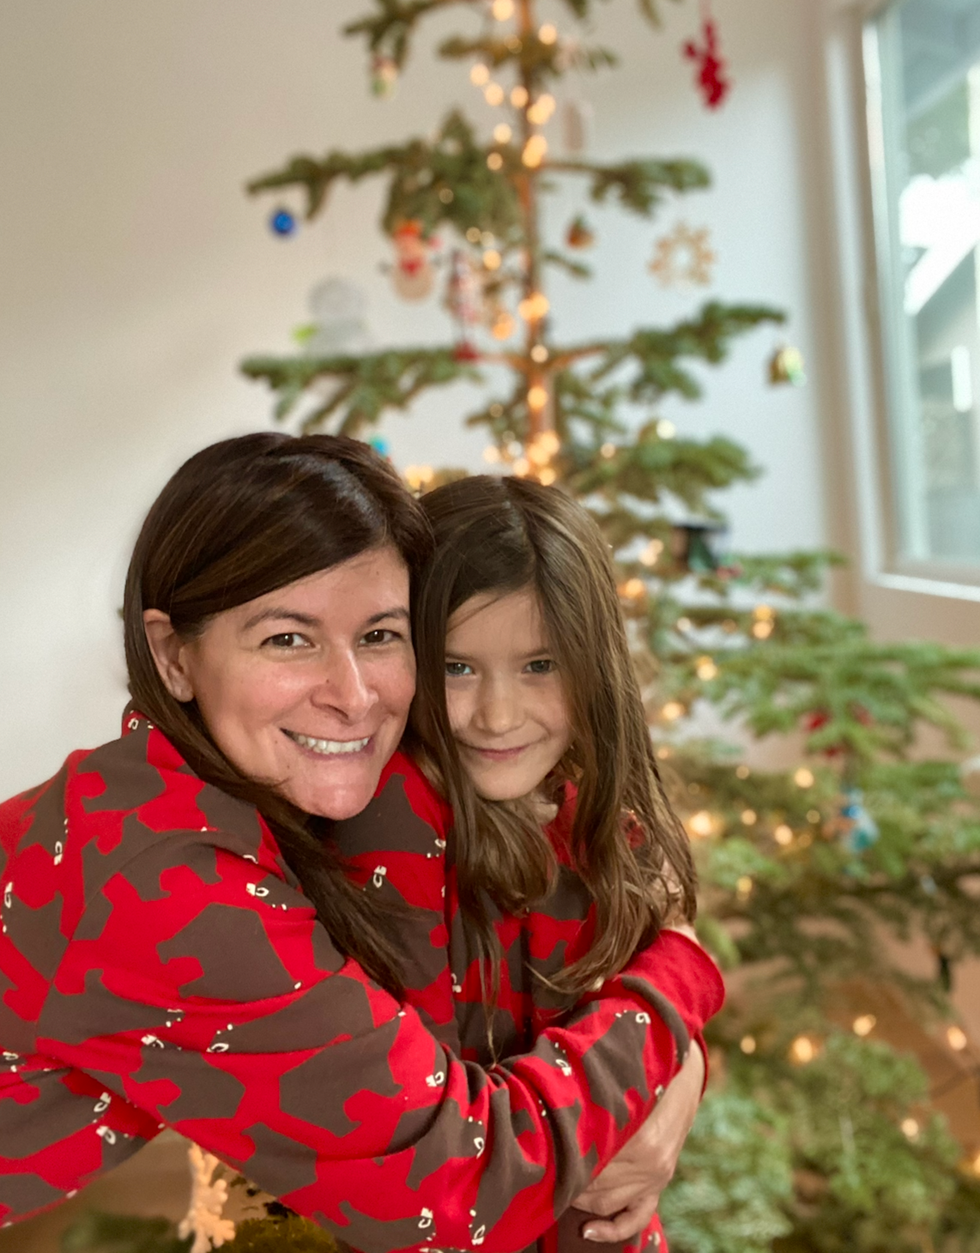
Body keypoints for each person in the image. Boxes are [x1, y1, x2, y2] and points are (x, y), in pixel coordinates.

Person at [0, 434, 723, 1251]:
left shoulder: (220, 791)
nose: (352, 696)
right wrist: (681, 978)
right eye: (287, 638)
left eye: (379, 634)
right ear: (173, 656)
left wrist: (680, 1066)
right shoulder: (166, 876)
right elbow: (458, 1189)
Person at [331, 475, 713, 1253]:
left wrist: (684, 1072)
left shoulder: (584, 802)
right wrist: (685, 977)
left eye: (540, 664)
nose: (498, 715)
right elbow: (457, 1155)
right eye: (458, 667)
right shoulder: (394, 816)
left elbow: (641, 998)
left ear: (593, 663)